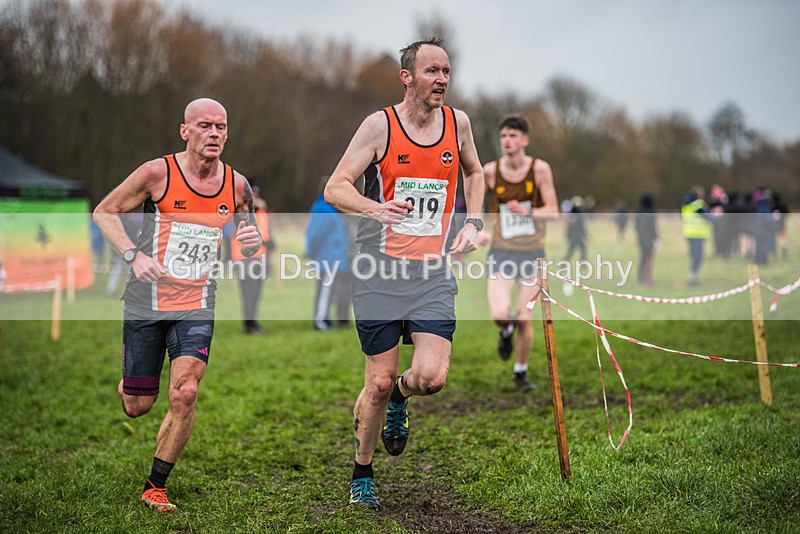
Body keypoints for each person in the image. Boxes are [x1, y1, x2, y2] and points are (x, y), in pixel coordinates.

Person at [324, 38, 484, 510]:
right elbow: (335, 187)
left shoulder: (459, 124)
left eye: (447, 71)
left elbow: (475, 173)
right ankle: (363, 472)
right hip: (379, 272)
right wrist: (377, 209)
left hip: (432, 273)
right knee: (375, 380)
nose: (442, 79)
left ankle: (401, 398)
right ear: (407, 77)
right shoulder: (380, 126)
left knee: (431, 378)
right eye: (432, 71)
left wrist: (474, 220)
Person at [93, 98, 261, 512]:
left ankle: (156, 485)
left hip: (198, 301)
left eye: (221, 127)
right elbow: (105, 211)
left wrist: (250, 240)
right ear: (185, 131)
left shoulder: (237, 184)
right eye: (205, 126)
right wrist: (134, 254)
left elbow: (247, 228)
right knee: (138, 405)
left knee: (185, 392)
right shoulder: (157, 173)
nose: (215, 134)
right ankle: (134, 380)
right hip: (146, 301)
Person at [477, 114, 559, 392]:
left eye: (513, 136)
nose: (507, 141)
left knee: (525, 317)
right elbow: (472, 198)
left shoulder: (540, 169)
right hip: (500, 251)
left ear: (525, 140)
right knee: (500, 313)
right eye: (503, 136)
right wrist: (477, 228)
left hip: (532, 253)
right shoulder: (489, 171)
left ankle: (520, 372)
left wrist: (528, 211)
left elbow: (554, 210)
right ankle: (505, 330)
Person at [306, 178, 352, 331]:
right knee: (325, 291)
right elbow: (315, 234)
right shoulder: (324, 209)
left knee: (328, 290)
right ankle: (321, 321)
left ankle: (324, 318)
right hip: (327, 258)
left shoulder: (330, 209)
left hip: (333, 257)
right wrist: (310, 252)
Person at [231, 185, 274, 335]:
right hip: (244, 259)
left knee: (256, 294)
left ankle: (253, 322)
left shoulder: (261, 212)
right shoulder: (238, 214)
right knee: (248, 294)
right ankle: (249, 324)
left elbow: (266, 234)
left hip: (260, 258)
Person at [681, 185, 712, 286]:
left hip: (688, 233)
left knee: (695, 256)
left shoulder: (686, 205)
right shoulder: (698, 204)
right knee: (698, 257)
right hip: (697, 234)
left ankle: (693, 276)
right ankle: (693, 277)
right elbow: (707, 216)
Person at [634, 193, 658, 285]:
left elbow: (637, 227)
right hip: (648, 240)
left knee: (643, 258)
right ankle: (647, 278)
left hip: (641, 239)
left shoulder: (639, 211)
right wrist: (655, 238)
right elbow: (652, 227)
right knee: (648, 259)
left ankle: (642, 277)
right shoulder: (650, 211)